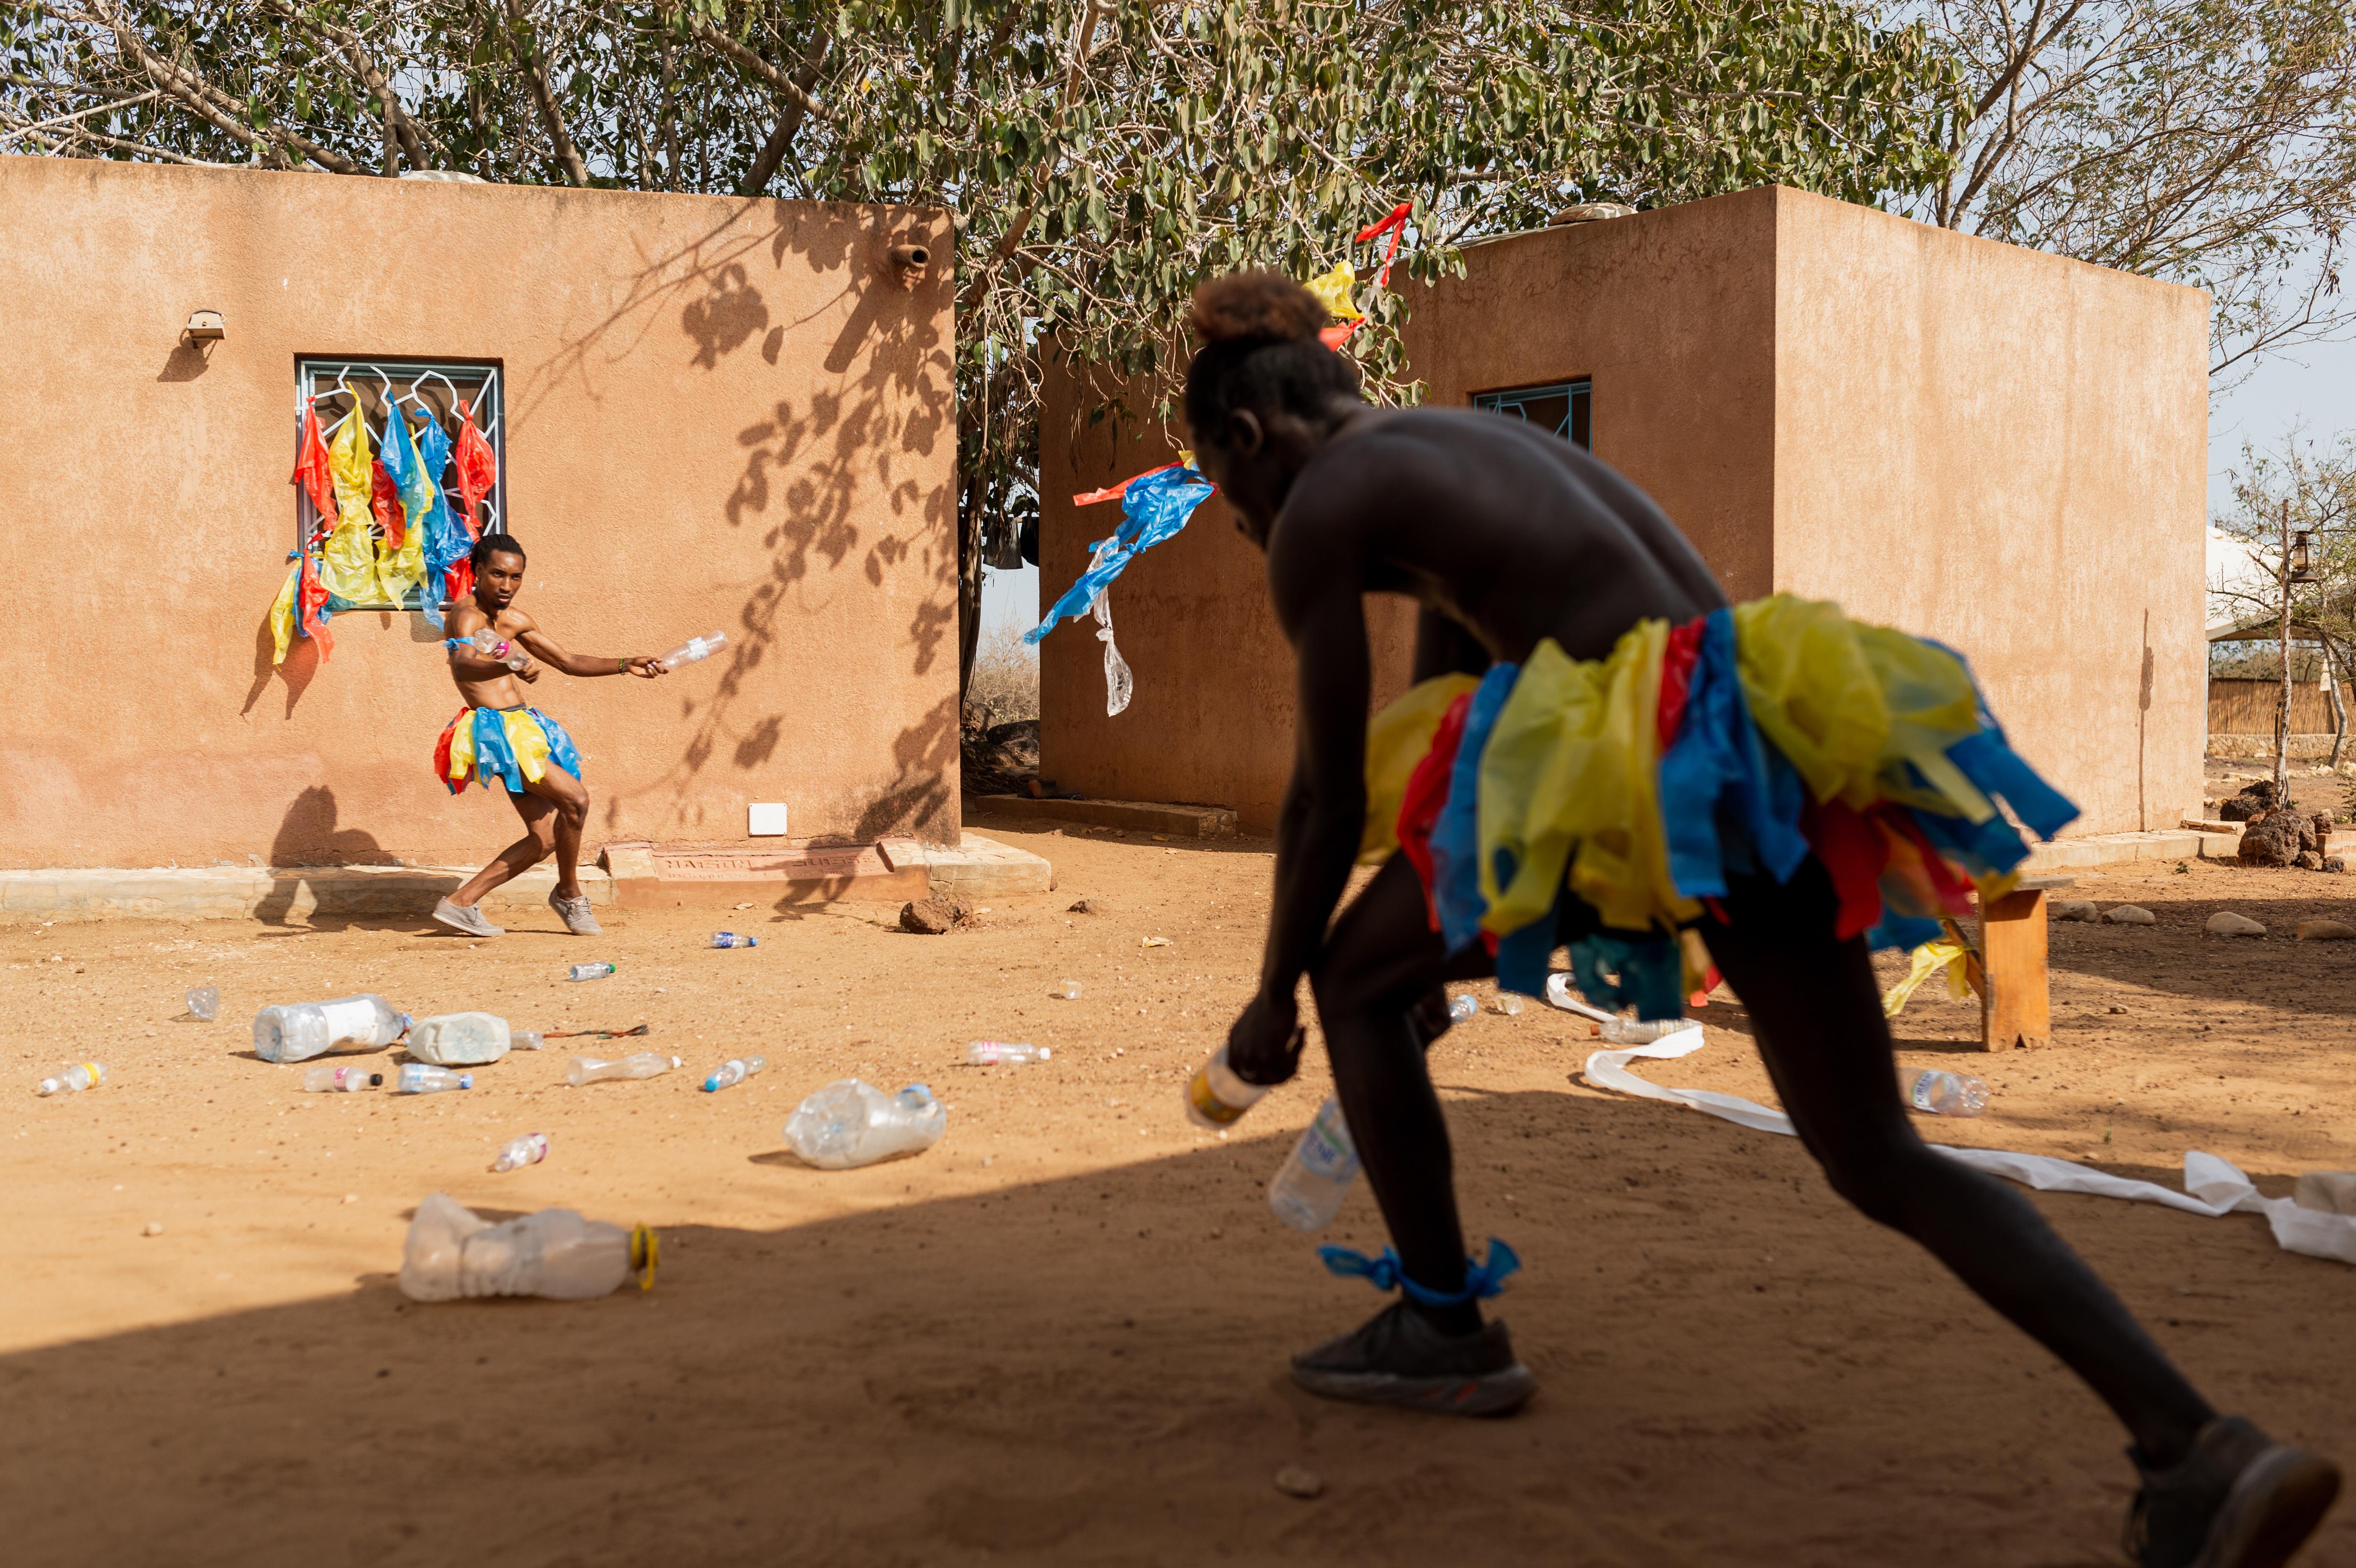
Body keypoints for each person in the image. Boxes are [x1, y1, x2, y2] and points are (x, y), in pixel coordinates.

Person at [1187, 272, 2338, 1566]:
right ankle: (2199, 1444)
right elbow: (1470, 750)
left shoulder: (1322, 502)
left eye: (1227, 500)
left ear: (1245, 438)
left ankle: (1445, 1331)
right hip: (1746, 722)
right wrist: (1431, 961)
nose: (1244, 528)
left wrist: (1274, 994)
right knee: (1874, 1151)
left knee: (1343, 982)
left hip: (1648, 743)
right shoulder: (1464, 442)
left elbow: (1327, 796)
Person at [429, 534, 665, 938]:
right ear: (478, 572)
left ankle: (460, 904)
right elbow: (465, 665)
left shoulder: (514, 620)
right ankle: (570, 894)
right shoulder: (466, 617)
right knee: (575, 800)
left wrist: (627, 664)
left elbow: (568, 661)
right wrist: (511, 666)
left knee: (544, 839)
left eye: (516, 577)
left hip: (523, 726)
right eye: (498, 575)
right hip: (498, 731)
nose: (506, 586)